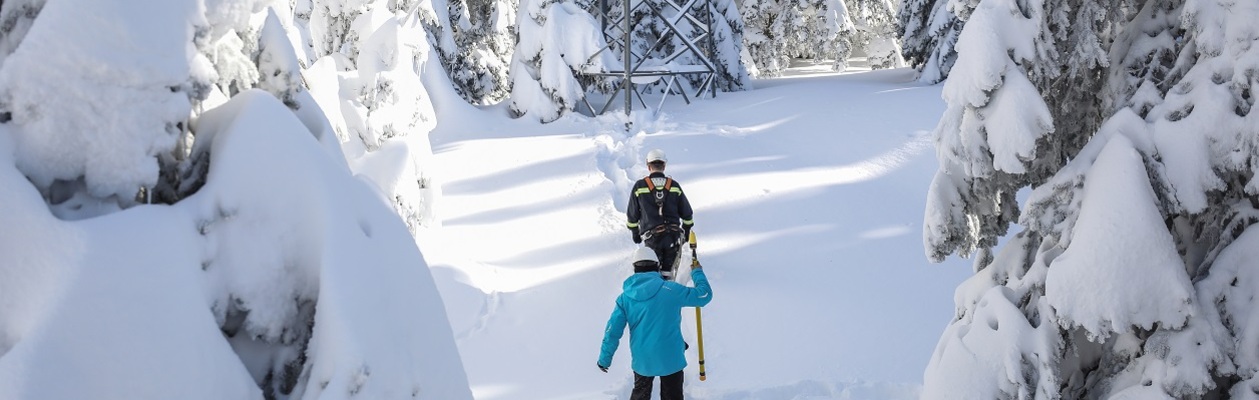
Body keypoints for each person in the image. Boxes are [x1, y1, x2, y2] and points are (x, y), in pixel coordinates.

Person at [597, 246, 712, 400]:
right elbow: (704, 295)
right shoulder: (671, 290)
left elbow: (612, 332)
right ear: (657, 266)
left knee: (641, 394)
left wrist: (605, 359)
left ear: (635, 268)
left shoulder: (625, 299)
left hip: (643, 360)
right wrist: (697, 272)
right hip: (671, 357)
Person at [626, 149, 694, 280]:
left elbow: (632, 215)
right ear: (664, 166)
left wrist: (635, 233)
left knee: (653, 273)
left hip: (652, 238)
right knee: (668, 274)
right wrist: (686, 231)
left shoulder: (640, 186)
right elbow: (687, 214)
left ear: (648, 166)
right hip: (673, 237)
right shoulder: (674, 186)